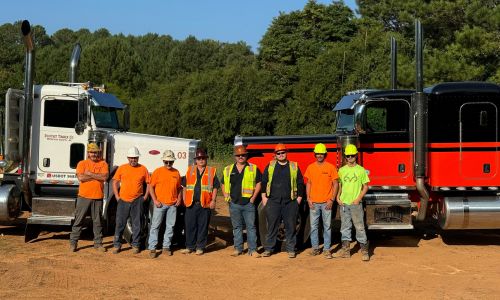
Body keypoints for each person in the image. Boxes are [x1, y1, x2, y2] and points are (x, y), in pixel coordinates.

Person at [261, 143, 304, 258]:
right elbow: (264, 181)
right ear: (275, 155)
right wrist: (264, 197)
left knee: (291, 227)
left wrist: (298, 199)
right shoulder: (270, 166)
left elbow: (300, 183)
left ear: (286, 153)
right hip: (273, 201)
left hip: (290, 202)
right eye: (278, 153)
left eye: (283, 152)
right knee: (272, 227)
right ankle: (269, 249)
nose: (281, 155)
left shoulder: (294, 166)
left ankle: (291, 250)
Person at [222, 145, 262, 258]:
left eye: (243, 155)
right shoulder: (228, 169)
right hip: (234, 203)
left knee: (251, 227)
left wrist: (253, 198)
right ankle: (238, 249)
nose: (241, 157)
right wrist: (226, 196)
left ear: (246, 156)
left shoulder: (253, 168)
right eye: (238, 155)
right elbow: (223, 183)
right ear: (235, 156)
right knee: (237, 227)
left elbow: (259, 183)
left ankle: (253, 250)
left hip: (248, 204)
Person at [69, 143, 109, 252]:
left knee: (98, 222)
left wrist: (90, 174)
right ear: (88, 153)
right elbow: (81, 177)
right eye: (92, 152)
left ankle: (98, 243)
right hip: (83, 196)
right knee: (79, 220)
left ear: (99, 153)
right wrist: (97, 176)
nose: (94, 154)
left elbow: (105, 177)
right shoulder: (82, 163)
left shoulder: (103, 164)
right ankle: (73, 243)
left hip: (98, 197)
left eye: (96, 152)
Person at [112, 146, 150, 254]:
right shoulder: (122, 168)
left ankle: (136, 245)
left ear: (138, 158)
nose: (133, 160)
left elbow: (148, 183)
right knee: (120, 223)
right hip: (123, 200)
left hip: (137, 200)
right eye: (131, 158)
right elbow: (114, 182)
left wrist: (145, 196)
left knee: (137, 224)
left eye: (135, 158)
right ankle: (117, 245)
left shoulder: (143, 169)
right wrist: (116, 196)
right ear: (128, 158)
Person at [181, 148, 220, 256]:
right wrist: (184, 198)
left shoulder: (211, 171)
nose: (201, 160)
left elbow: (216, 187)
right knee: (189, 226)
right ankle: (189, 247)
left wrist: (213, 200)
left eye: (203, 158)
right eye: (199, 158)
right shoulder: (190, 170)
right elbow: (184, 185)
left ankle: (200, 247)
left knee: (202, 227)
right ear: (196, 160)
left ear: (206, 159)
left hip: (205, 204)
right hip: (191, 204)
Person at [335, 144, 370, 261]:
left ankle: (364, 251)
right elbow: (339, 185)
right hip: (344, 203)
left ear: (355, 155)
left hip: (355, 204)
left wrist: (358, 199)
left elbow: (365, 186)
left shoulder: (361, 170)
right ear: (345, 157)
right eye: (348, 156)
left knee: (359, 227)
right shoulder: (341, 170)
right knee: (345, 227)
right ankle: (346, 251)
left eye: (352, 156)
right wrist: (338, 197)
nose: (350, 158)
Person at [304, 143, 339, 259]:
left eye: (321, 153)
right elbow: (308, 183)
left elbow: (336, 184)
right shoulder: (310, 167)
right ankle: (315, 248)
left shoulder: (330, 167)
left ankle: (327, 249)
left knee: (327, 226)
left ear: (325, 154)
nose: (319, 155)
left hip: (326, 203)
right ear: (315, 154)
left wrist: (332, 199)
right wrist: (308, 198)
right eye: (317, 153)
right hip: (313, 202)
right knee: (314, 227)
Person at [147, 150, 182, 258]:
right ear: (163, 160)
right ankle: (152, 248)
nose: (168, 164)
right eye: (166, 161)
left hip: (172, 205)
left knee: (170, 227)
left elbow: (179, 188)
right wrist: (155, 200)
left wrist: (179, 198)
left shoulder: (176, 173)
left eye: (170, 162)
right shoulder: (157, 171)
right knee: (155, 226)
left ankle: (166, 247)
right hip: (160, 205)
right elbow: (150, 187)